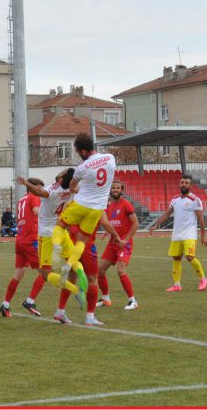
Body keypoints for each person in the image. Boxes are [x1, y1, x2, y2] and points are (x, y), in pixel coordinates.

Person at [19, 169, 103, 317]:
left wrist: (25, 182)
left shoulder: (53, 190)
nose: (60, 173)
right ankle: (80, 273)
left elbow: (39, 192)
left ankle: (75, 290)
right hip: (62, 230)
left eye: (63, 173)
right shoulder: (71, 191)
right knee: (73, 260)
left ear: (62, 179)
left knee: (45, 274)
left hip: (47, 234)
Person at [51, 133, 117, 295]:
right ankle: (69, 264)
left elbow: (72, 187)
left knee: (59, 226)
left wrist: (77, 189)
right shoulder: (110, 157)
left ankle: (57, 253)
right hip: (97, 208)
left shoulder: (82, 167)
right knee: (82, 241)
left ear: (83, 151)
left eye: (78, 152)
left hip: (81, 204)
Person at [52, 214, 120, 326]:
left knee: (71, 277)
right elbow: (105, 222)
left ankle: (60, 311)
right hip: (86, 244)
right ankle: (90, 317)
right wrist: (116, 235)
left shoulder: (74, 202)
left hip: (72, 244)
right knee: (93, 279)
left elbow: (63, 221)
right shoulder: (97, 203)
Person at [149, 175, 207, 292]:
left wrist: (203, 235)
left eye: (186, 183)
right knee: (176, 258)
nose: (184, 185)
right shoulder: (175, 199)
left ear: (190, 185)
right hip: (177, 235)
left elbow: (201, 219)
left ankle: (203, 279)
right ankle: (177, 285)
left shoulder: (195, 200)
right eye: (182, 182)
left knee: (190, 257)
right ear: (179, 184)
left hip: (189, 234)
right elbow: (167, 214)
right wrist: (156, 225)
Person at [0, 178, 43, 317]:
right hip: (31, 240)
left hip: (20, 240)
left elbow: (19, 219)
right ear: (32, 188)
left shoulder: (21, 200)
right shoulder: (34, 197)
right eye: (39, 188)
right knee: (46, 272)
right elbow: (37, 212)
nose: (41, 191)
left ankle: (5, 305)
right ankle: (30, 301)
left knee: (18, 274)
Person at [98, 180, 140, 310]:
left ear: (122, 190)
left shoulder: (126, 204)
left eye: (118, 188)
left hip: (124, 244)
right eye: (113, 188)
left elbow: (135, 223)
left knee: (121, 271)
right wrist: (107, 231)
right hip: (113, 243)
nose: (115, 190)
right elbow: (114, 222)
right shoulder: (109, 206)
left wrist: (126, 239)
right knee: (100, 271)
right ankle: (106, 299)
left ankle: (132, 301)